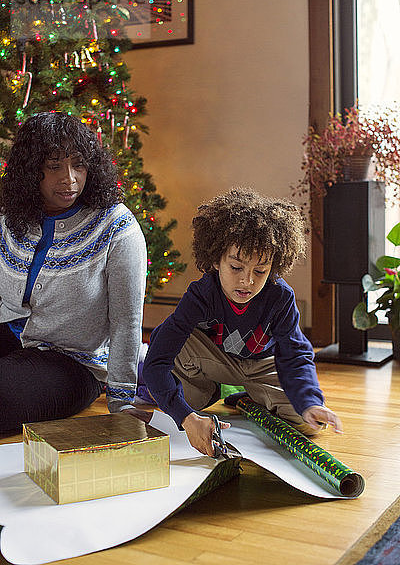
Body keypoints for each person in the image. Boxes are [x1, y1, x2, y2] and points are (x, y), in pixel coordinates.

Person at [142, 187, 342, 456]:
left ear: (274, 267)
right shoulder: (201, 294)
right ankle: (190, 384)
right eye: (236, 267)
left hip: (261, 363)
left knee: (308, 423)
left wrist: (309, 401)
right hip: (213, 361)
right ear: (216, 259)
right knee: (180, 403)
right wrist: (187, 418)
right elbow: (159, 358)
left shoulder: (280, 296)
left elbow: (294, 354)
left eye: (260, 271)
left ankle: (245, 395)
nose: (246, 281)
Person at [0, 111, 147, 434]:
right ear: (30, 170)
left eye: (78, 165)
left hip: (74, 363)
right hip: (11, 340)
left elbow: (126, 320)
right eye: (54, 166)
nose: (69, 179)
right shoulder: (10, 219)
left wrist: (122, 400)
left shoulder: (117, 227)